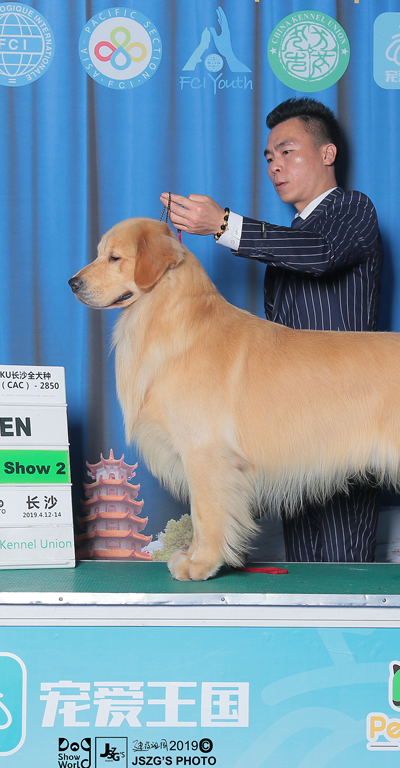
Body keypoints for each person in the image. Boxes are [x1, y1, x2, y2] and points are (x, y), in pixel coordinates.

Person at [161, 97, 383, 564]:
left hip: (345, 410)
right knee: (303, 564)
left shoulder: (353, 209)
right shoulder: (290, 237)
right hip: (290, 421)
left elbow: (319, 253)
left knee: (343, 566)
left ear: (328, 154)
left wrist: (224, 224)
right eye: (268, 157)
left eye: (287, 151)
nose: (275, 166)